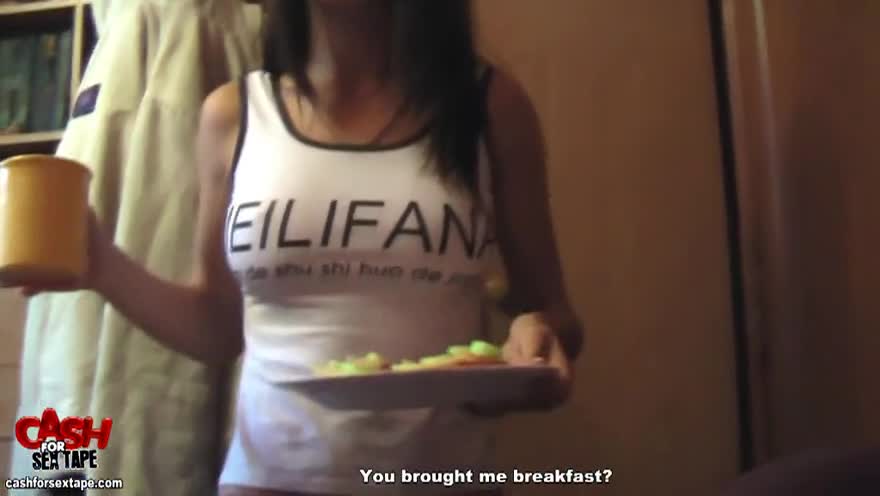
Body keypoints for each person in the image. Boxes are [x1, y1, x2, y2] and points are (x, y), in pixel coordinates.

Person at [24, 0, 583, 494]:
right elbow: (217, 327)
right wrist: (101, 266)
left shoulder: (490, 105)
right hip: (267, 481)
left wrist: (534, 347)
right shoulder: (233, 114)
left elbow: (555, 317)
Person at [11, 1, 260, 495]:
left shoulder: (220, 31)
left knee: (150, 430)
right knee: (69, 409)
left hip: (176, 212)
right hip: (91, 240)